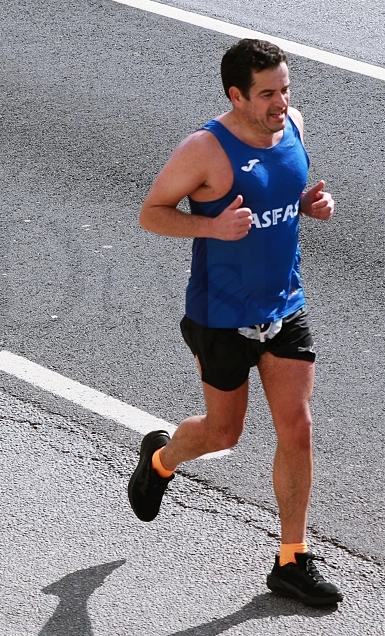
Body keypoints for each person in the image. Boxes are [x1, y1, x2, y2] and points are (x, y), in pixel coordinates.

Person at [129, 38, 341, 606]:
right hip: (221, 317)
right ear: (236, 95)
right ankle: (160, 459)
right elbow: (152, 214)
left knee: (297, 427)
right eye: (267, 93)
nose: (281, 102)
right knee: (225, 434)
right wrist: (211, 228)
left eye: (285, 89)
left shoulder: (292, 126)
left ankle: (291, 558)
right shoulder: (206, 149)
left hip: (284, 306)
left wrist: (307, 206)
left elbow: (281, 196)